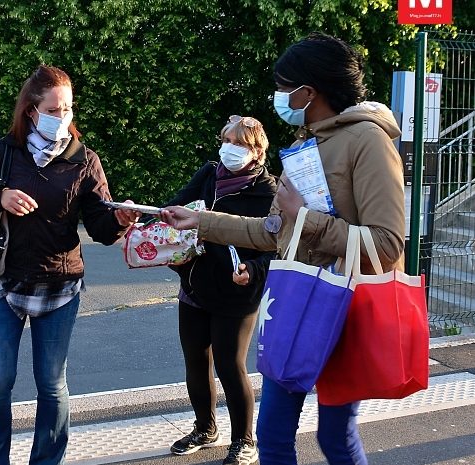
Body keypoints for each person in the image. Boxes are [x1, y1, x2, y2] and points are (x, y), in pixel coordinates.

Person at [160, 32, 405, 465]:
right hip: (294, 305)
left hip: (342, 310)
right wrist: (202, 220)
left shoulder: (369, 141)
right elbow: (274, 231)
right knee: (272, 438)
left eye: (283, 86)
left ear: (308, 92)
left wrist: (305, 220)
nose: (277, 96)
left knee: (335, 437)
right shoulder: (304, 144)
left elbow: (386, 245)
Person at [0, 64, 139, 465]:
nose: (62, 118)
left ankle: (47, 460)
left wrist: (120, 220)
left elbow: (100, 226)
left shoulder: (84, 160)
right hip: (4, 282)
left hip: (60, 284)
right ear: (31, 111)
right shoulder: (6, 152)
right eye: (54, 110)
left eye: (68, 109)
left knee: (52, 385)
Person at [165, 116, 276, 465]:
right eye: (228, 140)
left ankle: (245, 440)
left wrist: (254, 270)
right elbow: (179, 204)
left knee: (230, 365)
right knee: (196, 361)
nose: (231, 149)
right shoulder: (209, 174)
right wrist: (154, 222)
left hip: (237, 290)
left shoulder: (268, 191)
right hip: (195, 283)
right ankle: (205, 428)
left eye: (241, 144)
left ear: (258, 151)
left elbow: (275, 243)